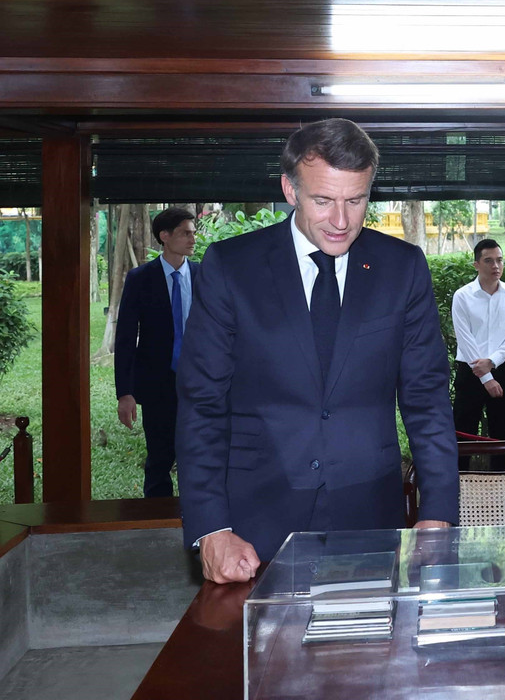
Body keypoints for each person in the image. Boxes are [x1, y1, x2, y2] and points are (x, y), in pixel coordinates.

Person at [176, 118, 459, 583]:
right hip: (255, 522)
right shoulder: (231, 268)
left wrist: (438, 511)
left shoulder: (402, 268)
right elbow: (202, 404)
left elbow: (426, 397)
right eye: (323, 201)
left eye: (356, 200)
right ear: (290, 190)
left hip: (370, 516)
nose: (341, 221)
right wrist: (211, 527)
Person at [115, 207, 199, 498]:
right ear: (165, 236)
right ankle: (157, 518)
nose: (192, 239)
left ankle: (197, 517)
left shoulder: (203, 275)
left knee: (197, 458)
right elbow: (126, 338)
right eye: (185, 233)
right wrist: (125, 393)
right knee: (159, 459)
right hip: (157, 385)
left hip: (199, 384)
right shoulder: (140, 278)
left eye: (193, 233)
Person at [451, 239, 505, 469]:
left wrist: (492, 362)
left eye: (499, 260)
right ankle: (460, 484)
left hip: (503, 370)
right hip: (470, 373)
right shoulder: (462, 296)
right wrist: (486, 377)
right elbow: (465, 339)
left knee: (501, 436)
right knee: (463, 434)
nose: (496, 266)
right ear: (476, 264)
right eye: (489, 261)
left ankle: (500, 484)